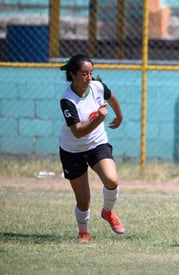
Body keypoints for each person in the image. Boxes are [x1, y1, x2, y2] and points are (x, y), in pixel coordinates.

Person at [58, 54, 125, 243]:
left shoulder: (97, 87)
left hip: (97, 144)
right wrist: (99, 119)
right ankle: (84, 232)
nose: (89, 78)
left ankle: (108, 212)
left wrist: (119, 116)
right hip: (72, 149)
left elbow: (111, 97)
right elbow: (78, 132)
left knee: (111, 179)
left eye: (91, 73)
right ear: (72, 74)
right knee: (83, 199)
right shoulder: (67, 99)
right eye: (84, 74)